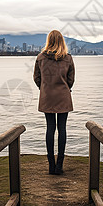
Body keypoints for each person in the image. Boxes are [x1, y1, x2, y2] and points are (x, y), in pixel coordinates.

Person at [33, 30, 75, 175]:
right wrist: (64, 88)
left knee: (50, 128)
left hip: (47, 96)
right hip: (63, 96)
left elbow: (36, 78)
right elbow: (71, 80)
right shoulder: (68, 58)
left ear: (48, 40)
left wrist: (44, 88)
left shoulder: (40, 57)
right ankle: (59, 165)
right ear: (62, 41)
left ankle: (51, 165)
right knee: (62, 129)